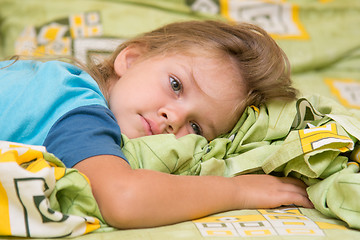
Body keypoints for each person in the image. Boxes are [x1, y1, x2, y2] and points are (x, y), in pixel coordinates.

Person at [0, 20, 313, 229]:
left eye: (197, 128)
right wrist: (239, 190)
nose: (173, 118)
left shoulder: (49, 80)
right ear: (132, 59)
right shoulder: (76, 109)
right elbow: (122, 199)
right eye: (176, 85)